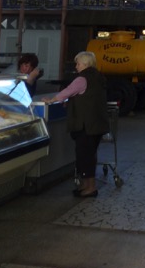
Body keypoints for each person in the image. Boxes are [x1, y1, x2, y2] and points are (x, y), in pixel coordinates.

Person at [45, 51, 109, 197]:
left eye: (78, 63)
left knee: (84, 155)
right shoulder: (98, 77)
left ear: (85, 64)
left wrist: (52, 100)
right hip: (97, 123)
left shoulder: (82, 79)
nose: (76, 66)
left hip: (86, 124)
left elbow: (67, 92)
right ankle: (86, 185)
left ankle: (90, 187)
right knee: (89, 154)